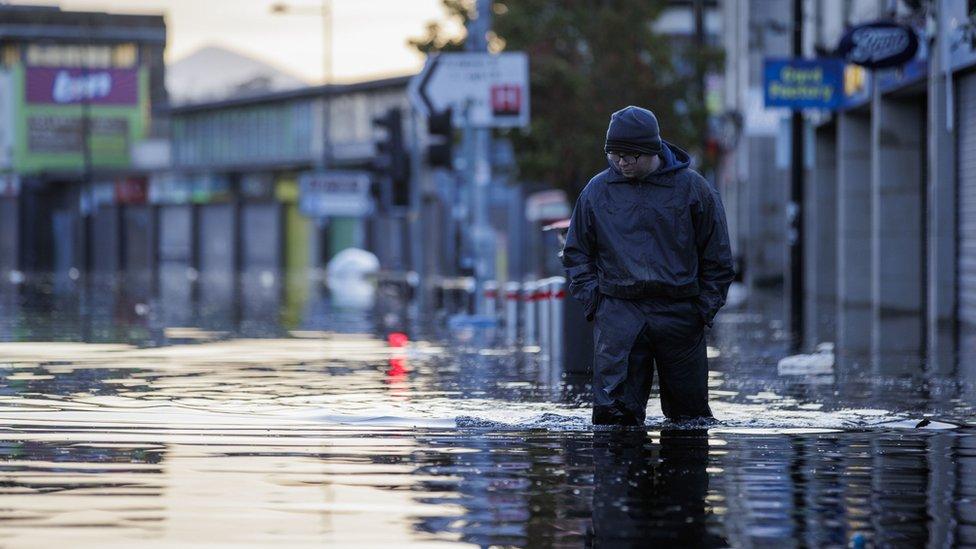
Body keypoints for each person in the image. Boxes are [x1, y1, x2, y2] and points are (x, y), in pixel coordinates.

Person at [562, 105, 734, 426]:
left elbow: (718, 257)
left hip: (681, 314)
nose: (622, 163)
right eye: (615, 155)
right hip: (618, 316)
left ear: (652, 151)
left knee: (690, 421)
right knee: (614, 422)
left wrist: (702, 311)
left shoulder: (694, 190)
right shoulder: (597, 192)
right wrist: (596, 306)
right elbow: (576, 253)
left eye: (631, 156)